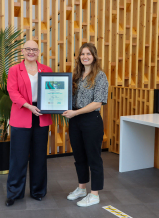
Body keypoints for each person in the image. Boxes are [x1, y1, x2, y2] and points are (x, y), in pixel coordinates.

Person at [5, 40, 53, 206]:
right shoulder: (14, 70)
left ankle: (38, 191)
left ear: (38, 52)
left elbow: (52, 91)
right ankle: (14, 193)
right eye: (28, 49)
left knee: (39, 157)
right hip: (22, 114)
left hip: (41, 115)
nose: (31, 52)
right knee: (18, 158)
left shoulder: (47, 70)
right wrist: (29, 106)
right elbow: (13, 92)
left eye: (34, 49)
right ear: (23, 51)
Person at [62, 43, 108, 207]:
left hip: (91, 121)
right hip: (75, 121)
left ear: (94, 56)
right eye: (82, 54)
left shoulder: (100, 76)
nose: (85, 56)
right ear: (79, 57)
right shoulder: (75, 76)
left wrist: (75, 113)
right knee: (79, 157)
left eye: (88, 54)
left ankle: (94, 194)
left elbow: (97, 103)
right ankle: (82, 188)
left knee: (94, 158)